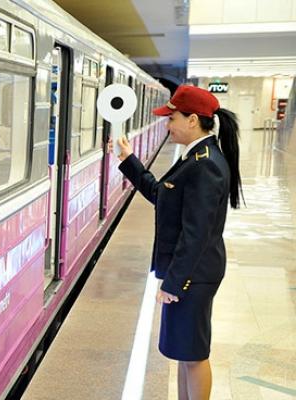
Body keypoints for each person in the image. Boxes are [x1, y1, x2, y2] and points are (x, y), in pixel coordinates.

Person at [109, 85, 243, 400]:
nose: (167, 125)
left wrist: (174, 282)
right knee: (184, 351)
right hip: (192, 273)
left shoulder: (205, 164)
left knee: (193, 354)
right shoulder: (195, 157)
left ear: (192, 120)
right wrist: (129, 160)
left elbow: (196, 233)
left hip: (194, 275)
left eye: (172, 119)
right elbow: (162, 195)